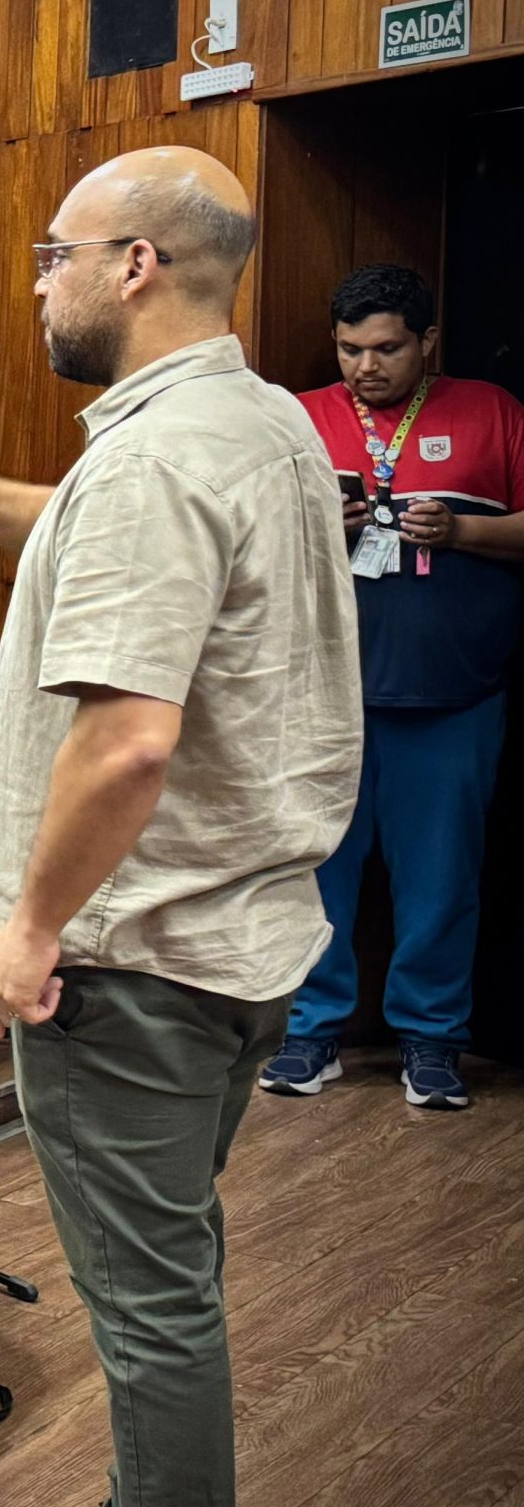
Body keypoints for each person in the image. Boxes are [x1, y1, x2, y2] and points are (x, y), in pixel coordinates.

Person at [0, 146, 359, 1507]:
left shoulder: (156, 460)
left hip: (131, 965)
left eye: (56, 253)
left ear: (136, 265)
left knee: (149, 1299)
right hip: (237, 942)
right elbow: (87, 534)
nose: (41, 283)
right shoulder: (263, 424)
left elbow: (126, 747)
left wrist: (28, 927)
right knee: (165, 1273)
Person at [261, 264, 524, 1111]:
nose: (364, 367)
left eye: (385, 349)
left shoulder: (491, 410)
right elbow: (242, 540)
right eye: (348, 349)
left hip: (454, 694)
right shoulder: (297, 417)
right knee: (315, 875)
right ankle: (310, 1032)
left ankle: (432, 1042)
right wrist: (311, 524)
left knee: (443, 880)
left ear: (427, 342)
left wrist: (464, 529)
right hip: (323, 697)